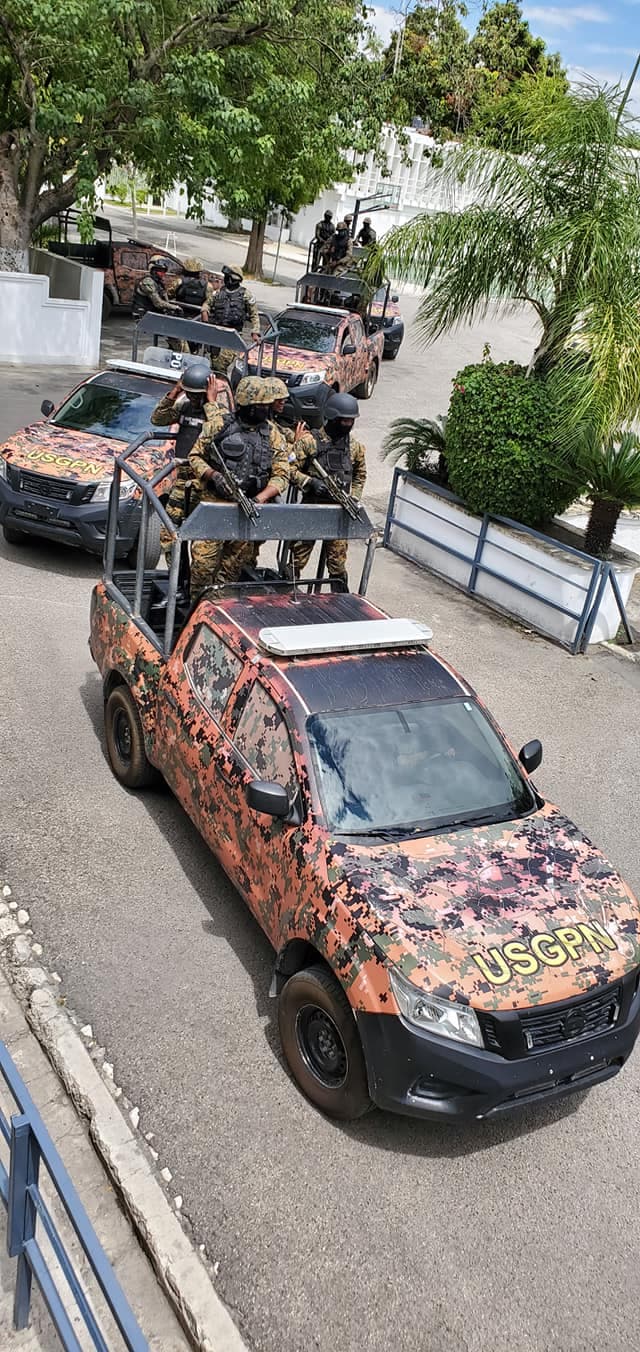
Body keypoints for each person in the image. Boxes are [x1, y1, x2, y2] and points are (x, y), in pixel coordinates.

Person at [187, 377, 289, 597]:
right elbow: (195, 456)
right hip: (214, 508)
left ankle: (218, 606)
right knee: (203, 567)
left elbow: (282, 475)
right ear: (249, 406)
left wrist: (261, 498)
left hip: (247, 511)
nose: (267, 409)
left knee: (231, 571)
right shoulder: (220, 425)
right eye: (262, 405)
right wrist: (213, 475)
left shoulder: (272, 434)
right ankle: (197, 605)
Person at [289, 392, 366, 592]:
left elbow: (360, 475)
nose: (348, 425)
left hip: (339, 513)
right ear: (332, 417)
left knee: (338, 564)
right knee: (297, 558)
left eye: (351, 421)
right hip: (312, 509)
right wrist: (310, 482)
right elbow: (288, 469)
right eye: (344, 420)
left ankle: (339, 598)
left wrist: (354, 497)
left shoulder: (355, 447)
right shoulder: (309, 442)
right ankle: (287, 592)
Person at [150, 362, 222, 569]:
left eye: (198, 395)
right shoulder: (185, 407)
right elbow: (157, 419)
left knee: (202, 542)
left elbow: (217, 430)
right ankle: (178, 577)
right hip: (182, 480)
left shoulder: (218, 413)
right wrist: (175, 392)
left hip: (205, 482)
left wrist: (211, 402)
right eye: (190, 395)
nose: (194, 399)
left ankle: (197, 580)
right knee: (170, 533)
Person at [201, 265, 261, 375]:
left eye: (227, 277)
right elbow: (207, 304)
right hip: (217, 332)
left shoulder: (245, 295)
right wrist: (205, 313)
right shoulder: (219, 292)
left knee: (222, 363)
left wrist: (255, 332)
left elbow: (254, 314)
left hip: (234, 335)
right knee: (214, 363)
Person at [133, 255, 185, 352]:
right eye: (160, 271)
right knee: (175, 332)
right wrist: (175, 307)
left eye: (164, 271)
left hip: (153, 315)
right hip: (145, 317)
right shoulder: (147, 282)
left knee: (179, 327)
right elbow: (158, 303)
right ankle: (177, 351)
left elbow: (165, 300)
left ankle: (174, 350)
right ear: (153, 270)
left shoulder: (158, 282)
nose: (162, 274)